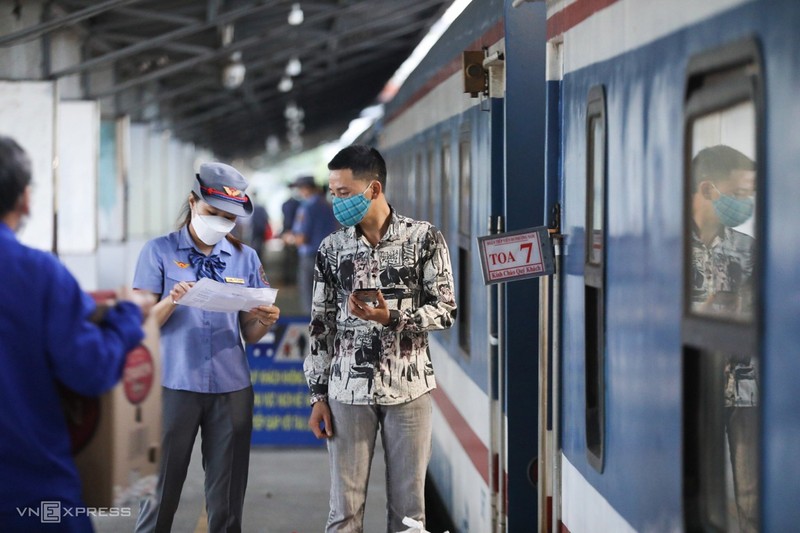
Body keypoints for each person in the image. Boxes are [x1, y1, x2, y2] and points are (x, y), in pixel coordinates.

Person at [0, 135, 152, 532]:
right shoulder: (38, 275)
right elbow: (90, 370)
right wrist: (126, 318)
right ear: (25, 200)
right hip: (28, 495)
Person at [304, 145, 457, 532]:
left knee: (410, 515)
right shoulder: (332, 249)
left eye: (343, 193)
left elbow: (447, 310)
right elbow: (321, 327)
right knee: (344, 513)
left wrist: (393, 318)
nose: (335, 202)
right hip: (346, 393)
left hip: (409, 391)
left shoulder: (424, 240)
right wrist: (317, 397)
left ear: (373, 189)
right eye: (332, 193)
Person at [132, 162, 281, 533]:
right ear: (193, 202)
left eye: (228, 217)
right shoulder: (159, 252)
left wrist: (264, 318)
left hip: (231, 389)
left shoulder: (245, 258)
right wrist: (170, 301)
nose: (219, 222)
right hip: (173, 387)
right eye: (212, 213)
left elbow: (250, 333)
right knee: (159, 494)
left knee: (228, 501)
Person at [689, 144, 757, 532]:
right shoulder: (670, 247)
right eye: (740, 195)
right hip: (696, 389)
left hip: (747, 389)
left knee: (752, 496)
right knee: (699, 492)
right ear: (709, 189)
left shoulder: (749, 250)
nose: (745, 204)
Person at [289, 175, 338, 315]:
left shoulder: (306, 208)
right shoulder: (329, 206)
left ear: (305, 189)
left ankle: (310, 326)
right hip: (329, 256)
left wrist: (290, 239)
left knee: (309, 295)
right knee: (327, 295)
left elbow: (302, 238)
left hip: (310, 257)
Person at [280, 194, 301, 284]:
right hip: (295, 233)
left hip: (288, 232)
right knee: (294, 257)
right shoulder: (299, 204)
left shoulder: (286, 204)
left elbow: (286, 220)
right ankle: (292, 278)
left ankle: (288, 278)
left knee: (288, 257)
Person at [249, 191, 270, 261]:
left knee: (254, 246)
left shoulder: (252, 206)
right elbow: (266, 218)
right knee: (260, 247)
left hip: (255, 229)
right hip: (261, 229)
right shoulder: (260, 206)